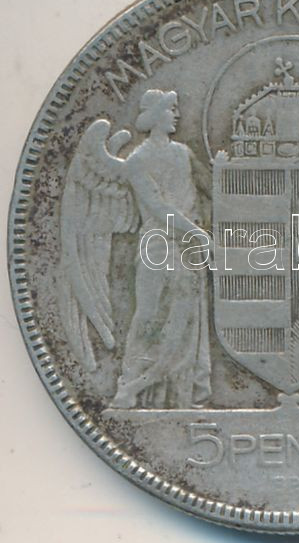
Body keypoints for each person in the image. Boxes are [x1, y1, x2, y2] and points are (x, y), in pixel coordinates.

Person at [111, 89, 212, 409]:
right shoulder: (137, 161)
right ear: (155, 116)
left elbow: (212, 188)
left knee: (185, 320)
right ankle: (131, 384)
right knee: (150, 316)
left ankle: (181, 393)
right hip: (157, 246)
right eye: (171, 109)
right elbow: (158, 207)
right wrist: (197, 233)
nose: (177, 114)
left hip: (188, 248)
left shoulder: (184, 153)